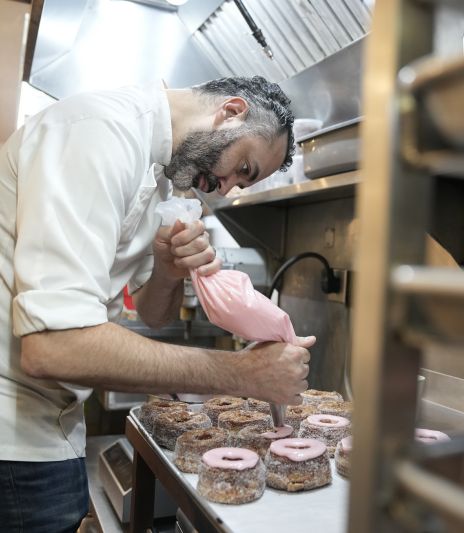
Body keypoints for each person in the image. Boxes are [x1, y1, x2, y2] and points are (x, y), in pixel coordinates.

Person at [0, 76, 315, 532]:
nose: (226, 189)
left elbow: (152, 313)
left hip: (51, 428)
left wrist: (168, 270)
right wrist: (242, 374)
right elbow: (52, 347)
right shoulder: (99, 133)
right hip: (13, 437)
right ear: (230, 111)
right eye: (242, 167)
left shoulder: (161, 178)